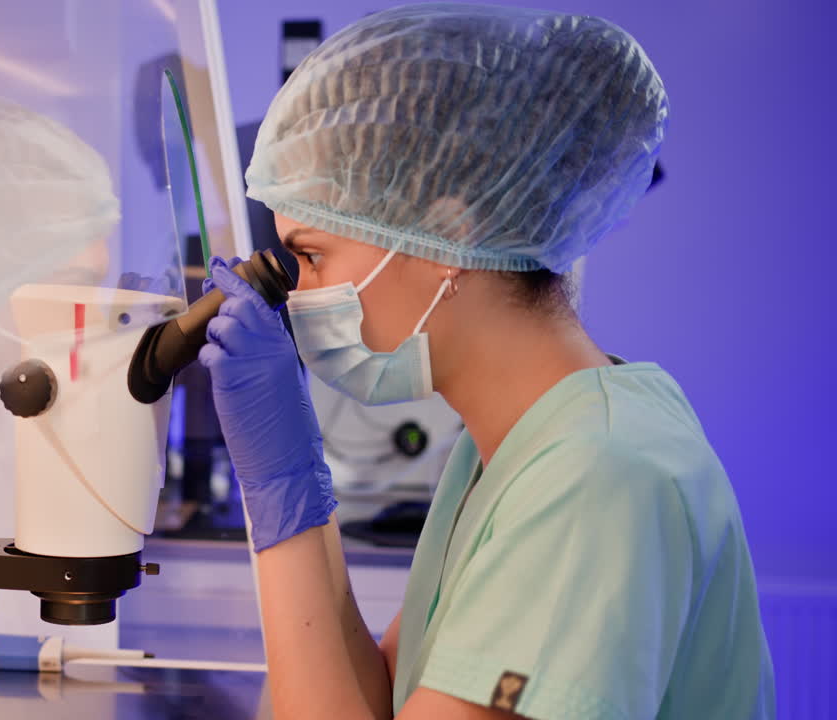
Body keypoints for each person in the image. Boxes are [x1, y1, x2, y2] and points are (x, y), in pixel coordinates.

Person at [198, 5, 775, 719]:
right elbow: (361, 706)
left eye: (313, 255)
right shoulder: (509, 445)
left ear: (443, 239)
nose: (300, 293)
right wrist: (283, 485)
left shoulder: (595, 476)